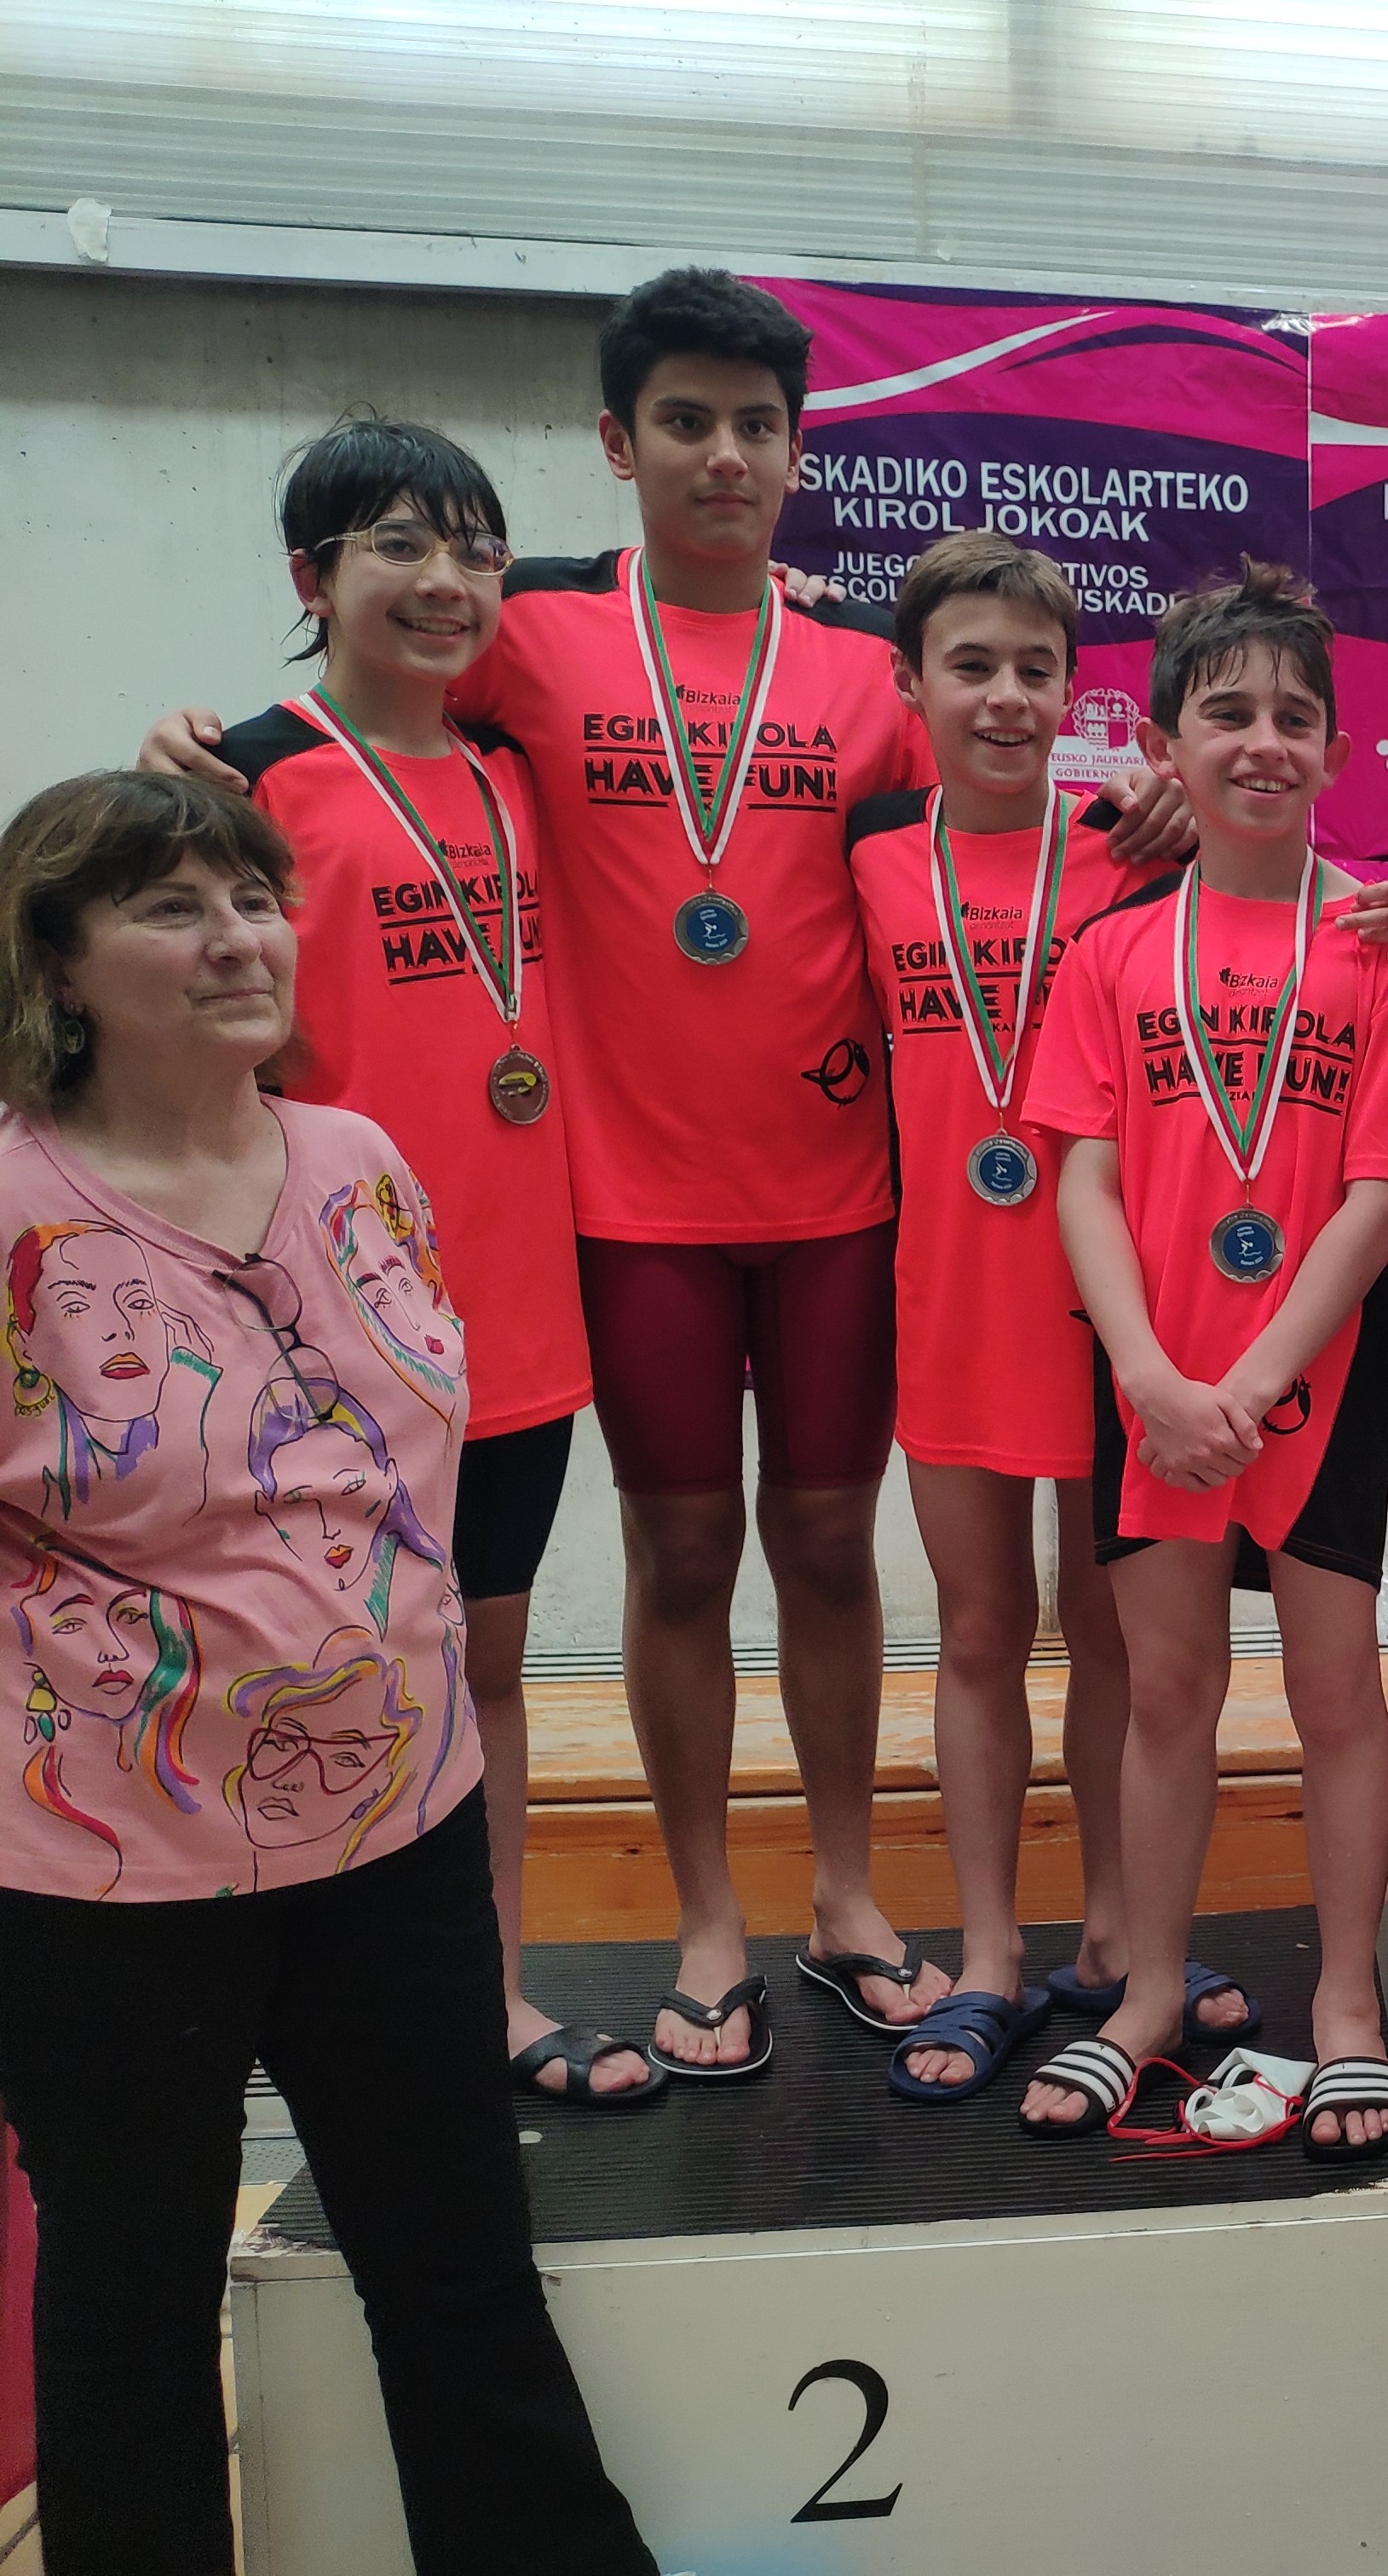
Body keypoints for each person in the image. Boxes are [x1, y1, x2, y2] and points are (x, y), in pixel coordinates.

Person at [0, 768, 655, 2574]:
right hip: (112, 1878)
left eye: (251, 898)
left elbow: (398, 1464)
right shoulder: (13, 1208)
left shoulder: (360, 1157)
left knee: (461, 2275)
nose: (236, 939)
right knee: (131, 2322)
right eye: (170, 907)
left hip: (402, 1831)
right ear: (56, 966)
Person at [200, 414, 650, 2106]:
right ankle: (316, 2020)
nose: (446, 578)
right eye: (399, 543)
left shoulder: (520, 769)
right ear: (310, 579)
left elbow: (637, 597)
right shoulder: (248, 781)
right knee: (319, 1670)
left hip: (512, 1311)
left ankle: (493, 1996)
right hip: (320, 1326)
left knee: (487, 1666)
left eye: (475, 547)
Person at [1015, 566, 1388, 2159]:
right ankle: (1145, 1994)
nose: (1264, 741)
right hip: (1151, 1380)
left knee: (1338, 1696)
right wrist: (1146, 1373)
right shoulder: (1114, 949)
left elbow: (1383, 1192)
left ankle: (1343, 2005)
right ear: (1162, 743)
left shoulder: (1385, 939)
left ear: (1336, 748)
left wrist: (1253, 1386)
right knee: (1168, 1695)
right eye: (1228, 713)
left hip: (1311, 1378)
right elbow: (1082, 1180)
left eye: (1294, 717)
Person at [848, 529, 1266, 2101]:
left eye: (1037, 670)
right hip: (952, 1297)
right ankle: (985, 1957)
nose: (1008, 698)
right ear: (913, 688)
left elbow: (1290, 903)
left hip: (1111, 1313)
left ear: (1076, 692)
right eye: (973, 668)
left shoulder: (1134, 847)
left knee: (1109, 1633)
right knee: (977, 1631)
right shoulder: (870, 850)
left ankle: (1110, 1933)